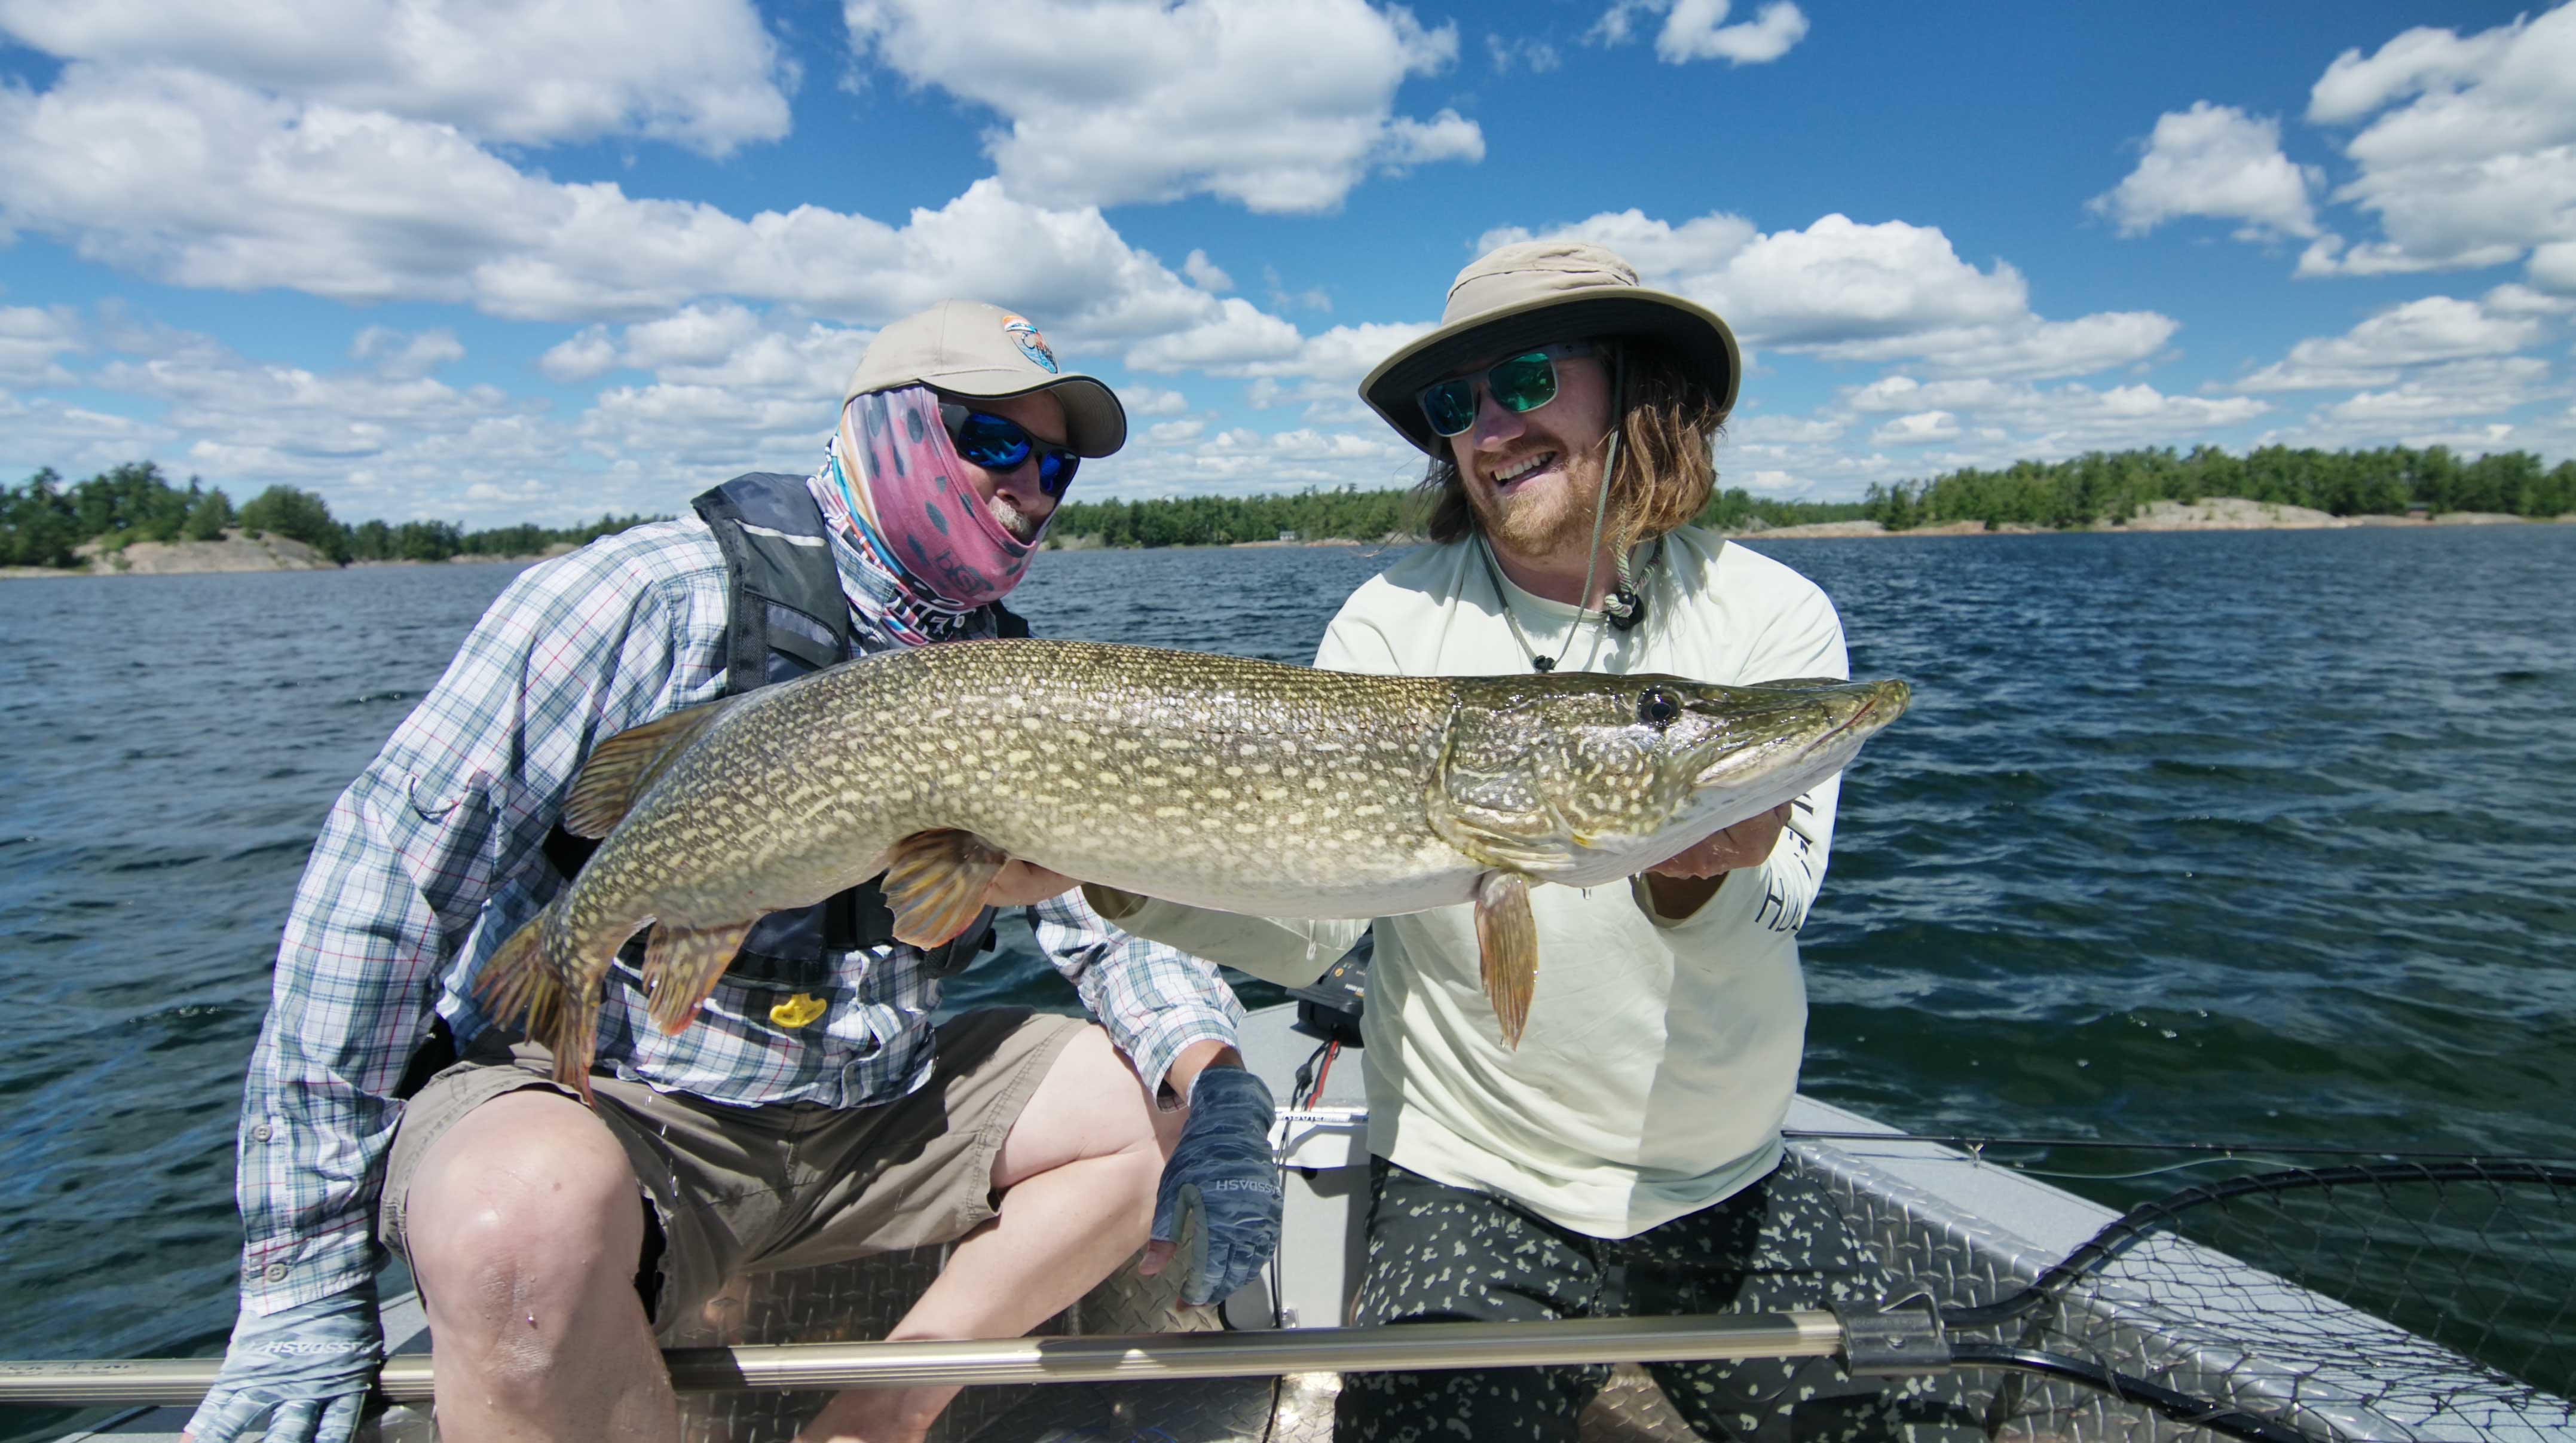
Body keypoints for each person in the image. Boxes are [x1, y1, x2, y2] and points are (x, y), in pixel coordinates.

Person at [183, 301, 1281, 1443]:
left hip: (876, 1108)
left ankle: (873, 1418)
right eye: (992, 440)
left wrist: (1218, 1088)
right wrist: (302, 1277)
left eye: (1056, 462)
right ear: (885, 426)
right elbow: (385, 876)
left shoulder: (1008, 669)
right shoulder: (646, 595)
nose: (1034, 485)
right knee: (515, 1216)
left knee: (1153, 1109)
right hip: (634, 1111)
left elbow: (1108, 914)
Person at [1089, 243, 1965, 1442]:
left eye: (1529, 381)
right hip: (1467, 1175)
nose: (1491, 428)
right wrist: (1122, 880)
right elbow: (1319, 932)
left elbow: (1784, 901)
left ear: (1635, 386)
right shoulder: (1390, 623)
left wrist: (1694, 872)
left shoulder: (1770, 613)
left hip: (1721, 1179)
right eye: (1457, 407)